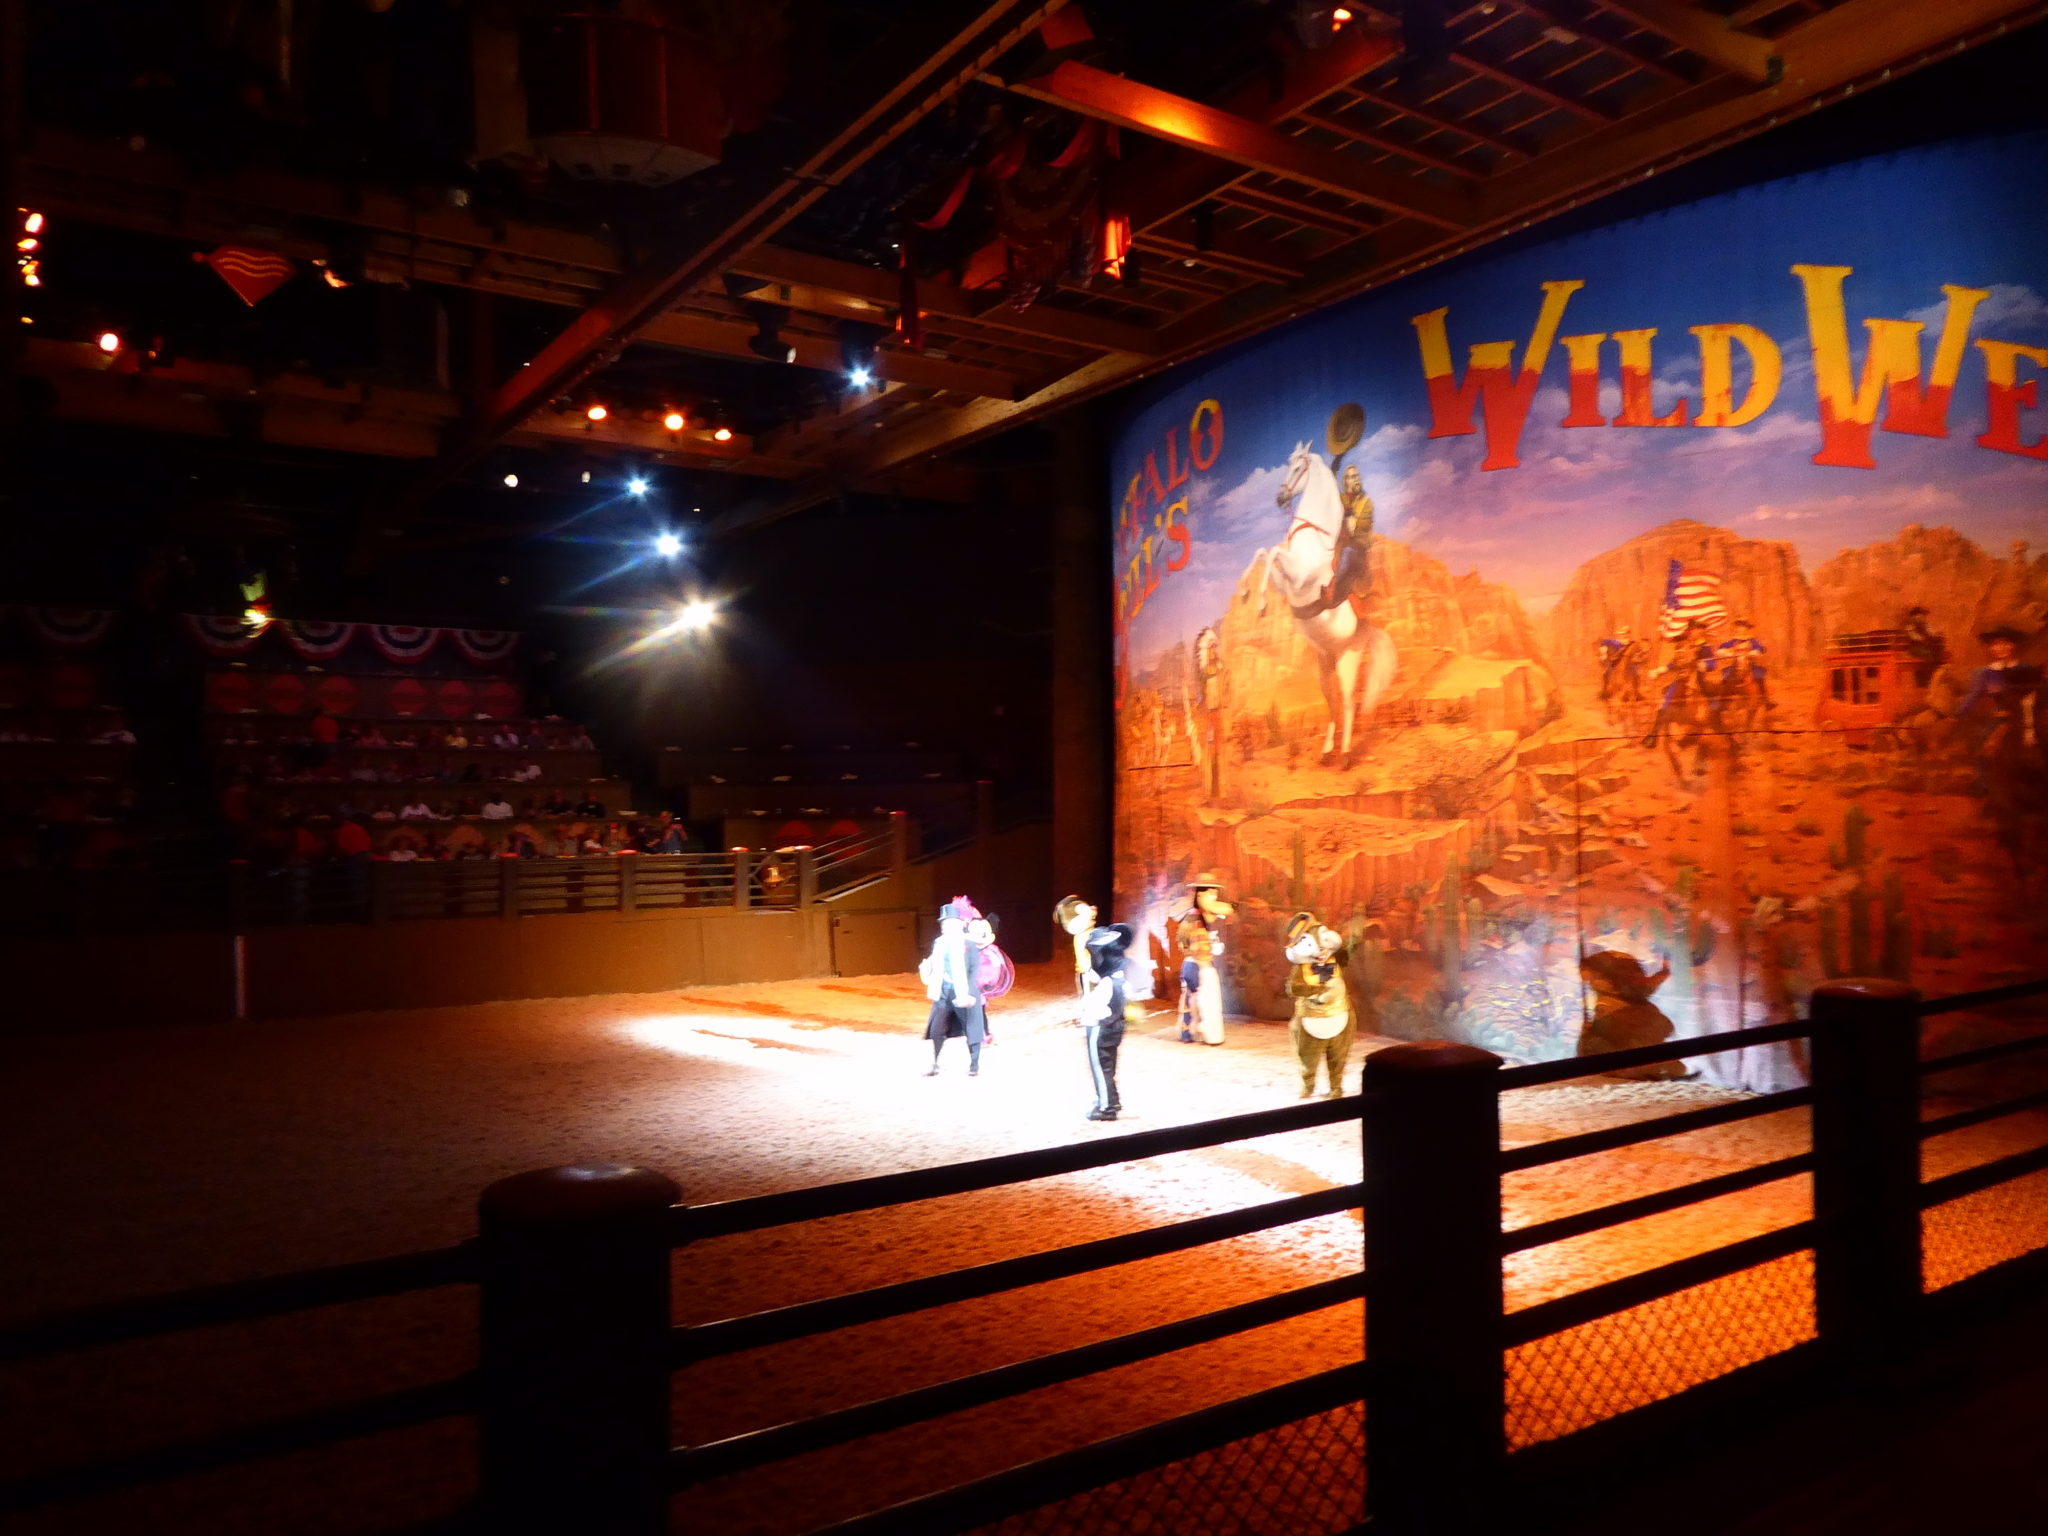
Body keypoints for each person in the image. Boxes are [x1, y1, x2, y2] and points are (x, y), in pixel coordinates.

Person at [1576, 950, 1683, 1080]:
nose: (1592, 982)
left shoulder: (1615, 1000)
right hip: (1638, 1026)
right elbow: (1645, 986)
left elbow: (1642, 987)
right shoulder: (1624, 991)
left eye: (1596, 978)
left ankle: (1646, 1069)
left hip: (1630, 1027)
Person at [1284, 912, 1354, 1100]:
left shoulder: (1336, 959)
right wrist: (1319, 991)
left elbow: (1349, 950)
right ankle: (1308, 1087)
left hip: (1339, 1016)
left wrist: (1355, 930)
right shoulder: (1301, 969)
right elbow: (1294, 988)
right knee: (1308, 1057)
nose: (1321, 953)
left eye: (1324, 948)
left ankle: (1336, 1088)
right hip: (1311, 1019)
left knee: (1338, 1057)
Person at [919, 901, 987, 1077]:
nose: (945, 926)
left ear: (958, 924)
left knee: (971, 1028)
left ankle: (974, 1065)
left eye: (948, 922)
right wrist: (927, 970)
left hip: (964, 992)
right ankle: (935, 1063)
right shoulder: (939, 943)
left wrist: (968, 992)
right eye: (943, 923)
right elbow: (935, 964)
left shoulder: (969, 944)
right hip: (943, 991)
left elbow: (974, 969)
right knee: (937, 1029)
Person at [1079, 923, 1137, 1121]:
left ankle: (1107, 1107)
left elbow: (1096, 1007)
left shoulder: (1108, 983)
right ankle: (1111, 1099)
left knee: (1100, 1067)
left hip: (1101, 1029)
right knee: (1108, 1067)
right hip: (1114, 1028)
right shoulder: (1120, 978)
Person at [1175, 873, 1234, 1045]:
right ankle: (1208, 1035)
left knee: (1191, 1000)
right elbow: (1197, 949)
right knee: (1205, 1001)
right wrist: (1207, 962)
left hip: (1191, 965)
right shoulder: (1195, 920)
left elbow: (1226, 909)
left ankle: (1187, 1033)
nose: (1214, 897)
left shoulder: (1196, 915)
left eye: (1215, 893)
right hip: (1198, 965)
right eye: (1210, 893)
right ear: (1200, 895)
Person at [1054, 894, 1098, 1001]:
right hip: (1087, 970)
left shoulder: (1087, 933)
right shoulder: (1081, 936)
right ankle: (1088, 1003)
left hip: (1091, 970)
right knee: (1088, 990)